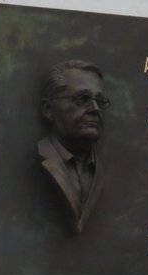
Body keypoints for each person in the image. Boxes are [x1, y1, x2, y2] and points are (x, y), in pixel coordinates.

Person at [37, 59, 108, 234]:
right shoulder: (38, 159)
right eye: (82, 99)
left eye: (100, 101)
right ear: (48, 110)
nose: (95, 109)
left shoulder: (102, 170)